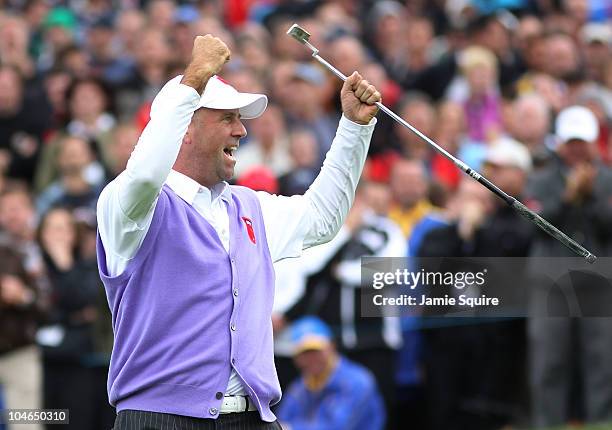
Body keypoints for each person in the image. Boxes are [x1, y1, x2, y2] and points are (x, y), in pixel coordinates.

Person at [96, 34, 381, 428]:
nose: (241, 131)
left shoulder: (248, 205)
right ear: (185, 128)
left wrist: (352, 128)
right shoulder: (129, 205)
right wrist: (194, 77)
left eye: (240, 120)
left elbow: (322, 218)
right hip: (159, 418)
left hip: (252, 418)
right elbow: (145, 173)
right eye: (227, 118)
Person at [277, 316, 386, 430]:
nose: (311, 359)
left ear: (332, 346)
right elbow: (282, 419)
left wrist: (289, 428)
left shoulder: (357, 381)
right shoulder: (300, 386)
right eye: (304, 353)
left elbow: (336, 426)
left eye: (316, 351)